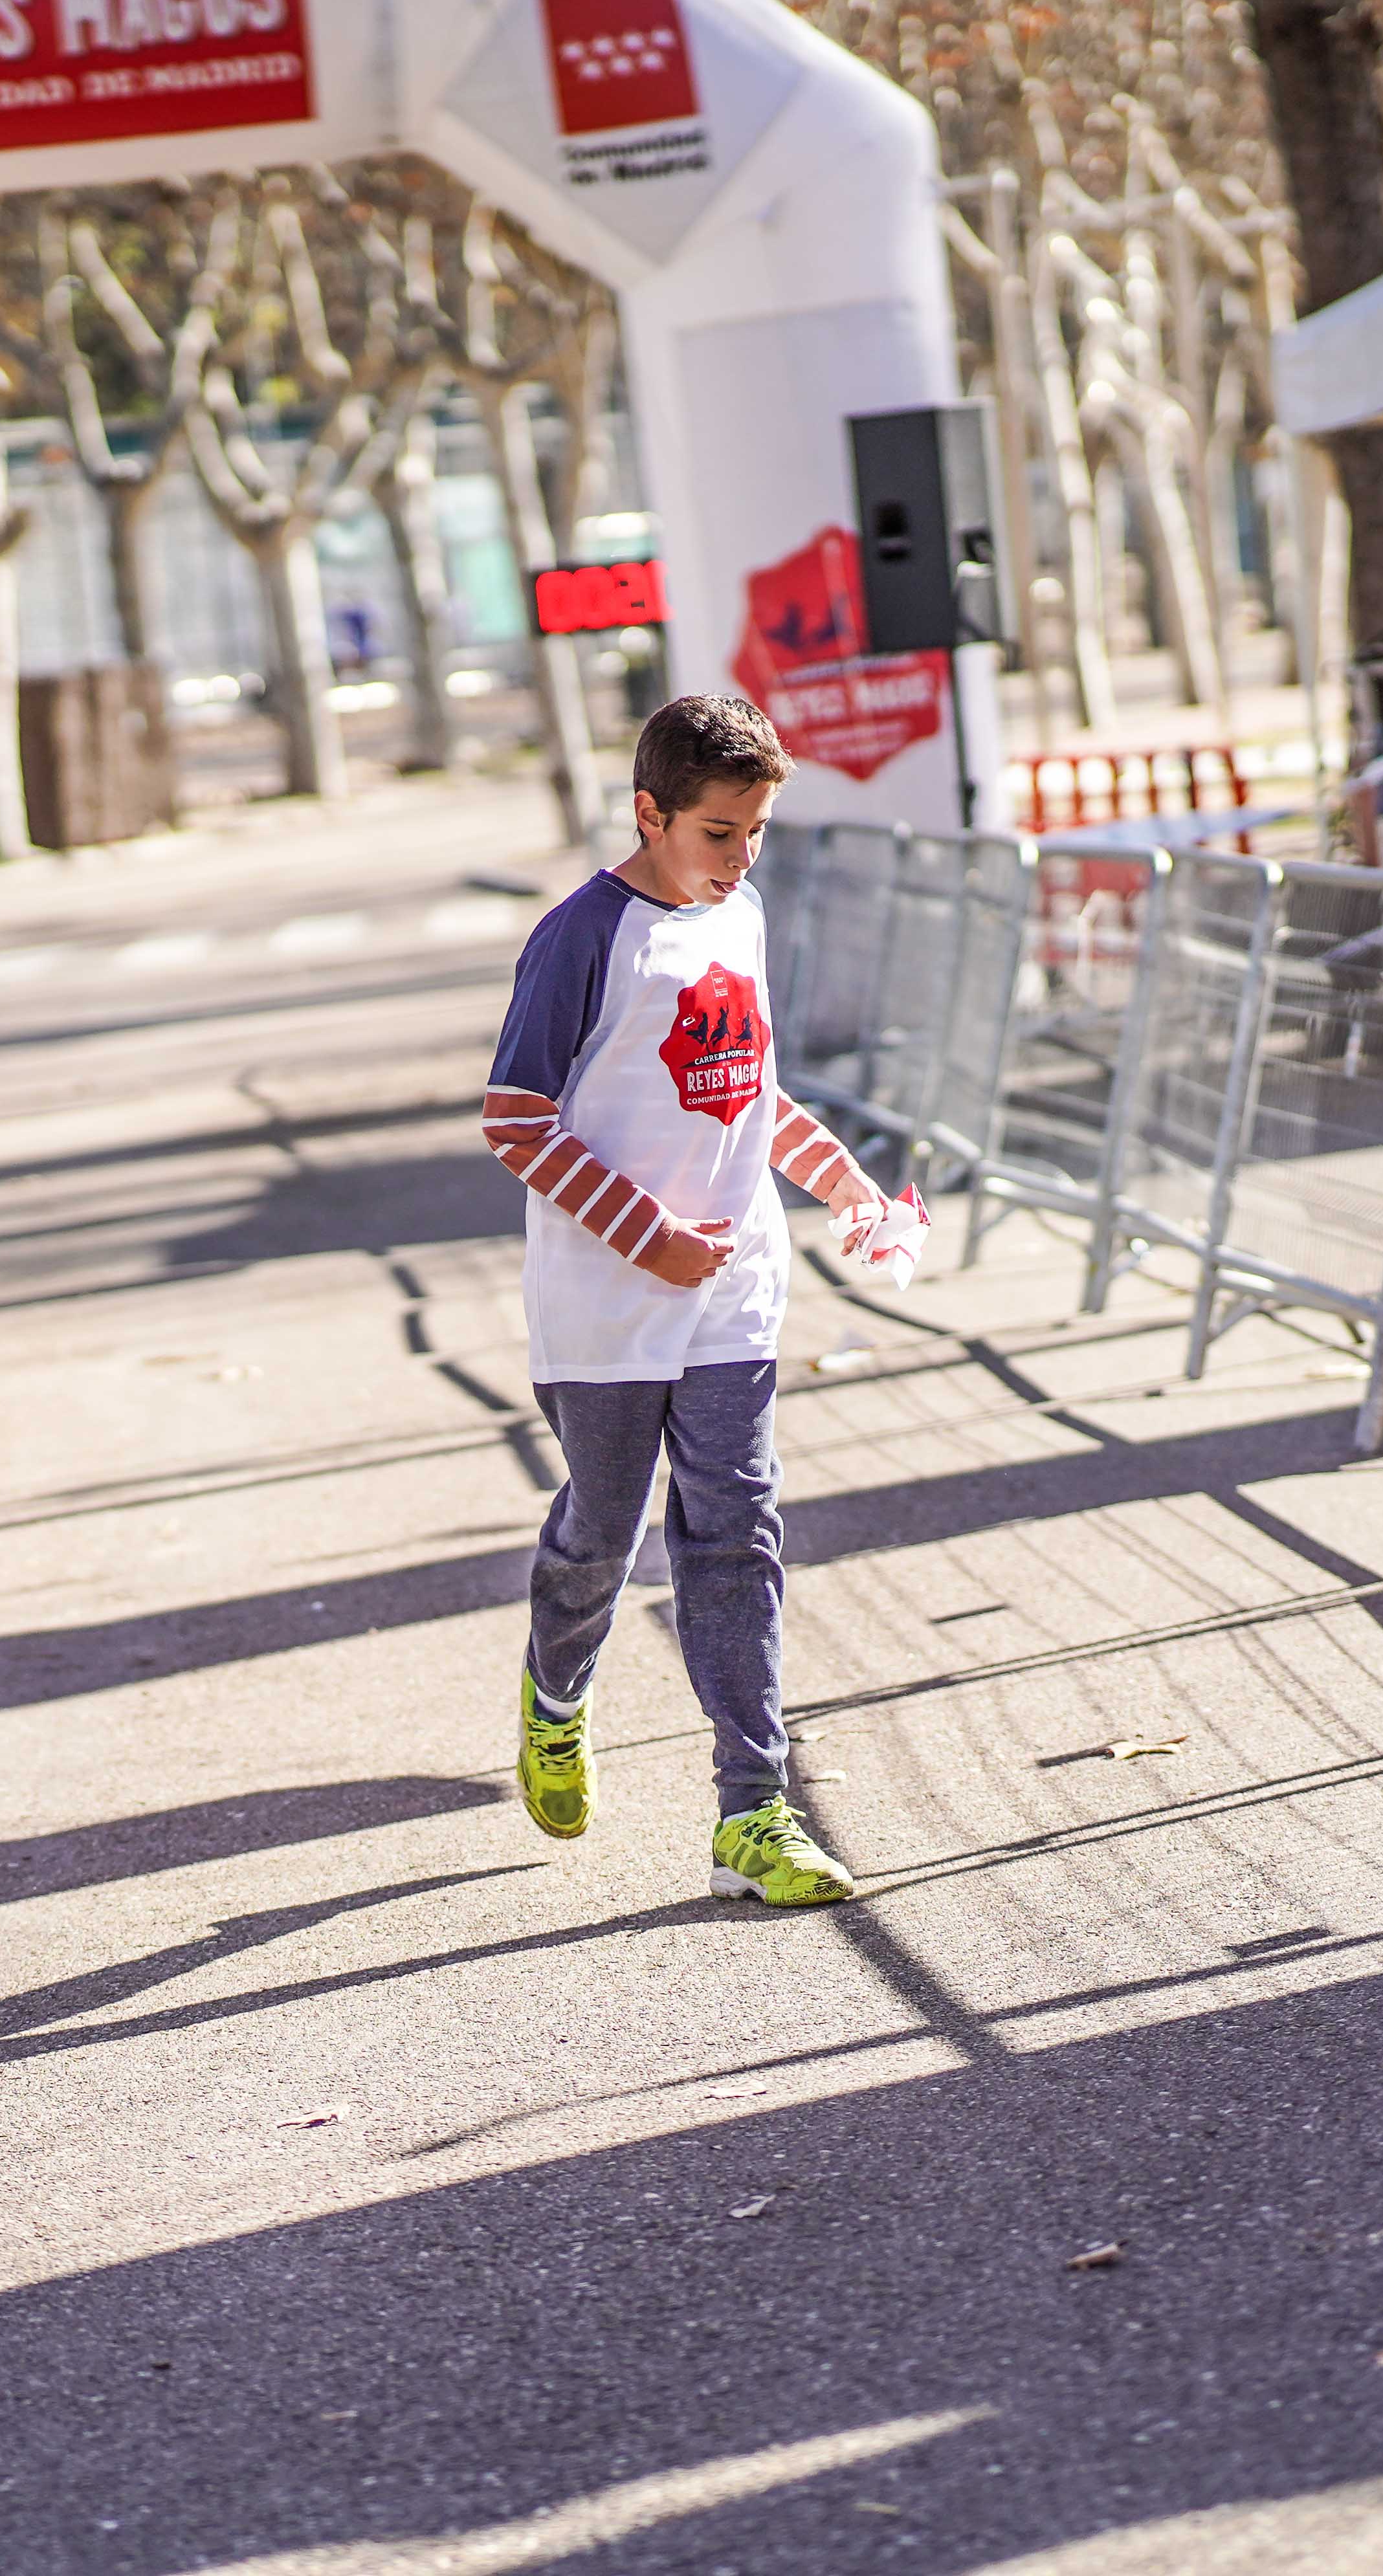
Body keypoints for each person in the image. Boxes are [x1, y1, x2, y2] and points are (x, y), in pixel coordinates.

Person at [480, 693, 928, 1907]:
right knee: (604, 1538)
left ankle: (753, 1809)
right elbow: (514, 1120)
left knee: (736, 1536)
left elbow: (752, 1094)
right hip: (606, 1312)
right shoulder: (583, 937)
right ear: (651, 812)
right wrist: (649, 1238)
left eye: (759, 832)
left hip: (733, 1299)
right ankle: (557, 1694)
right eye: (720, 833)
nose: (743, 858)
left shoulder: (743, 915)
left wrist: (847, 1188)